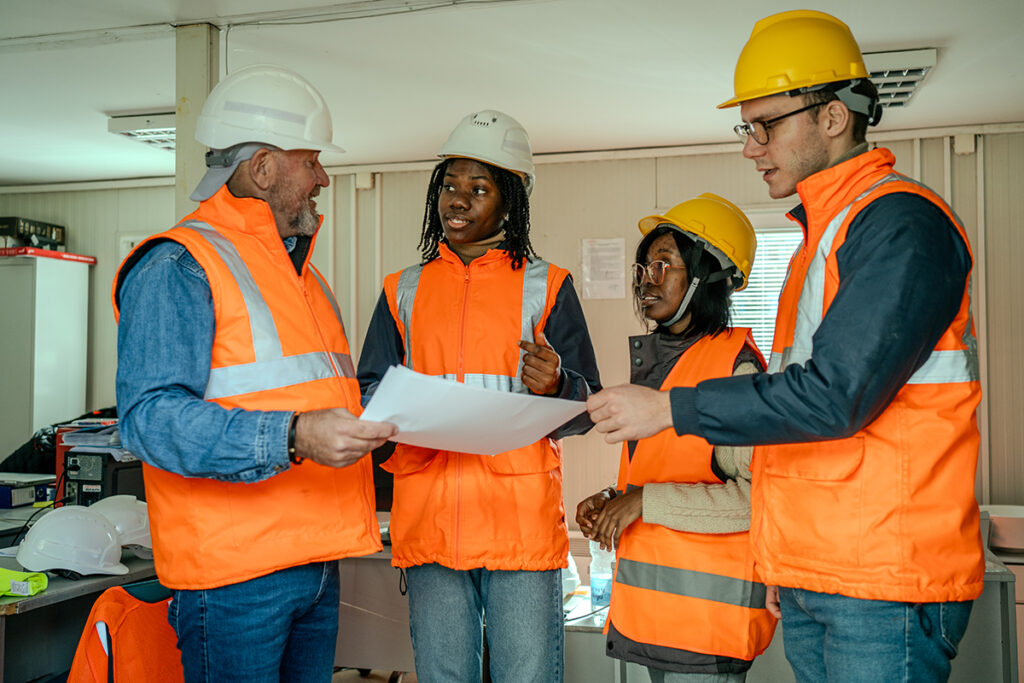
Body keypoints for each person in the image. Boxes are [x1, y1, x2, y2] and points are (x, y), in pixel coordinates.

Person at [587, 10, 983, 682]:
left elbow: (835, 396)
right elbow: (792, 439)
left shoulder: (900, 224)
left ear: (832, 117)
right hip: (819, 572)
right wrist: (783, 555)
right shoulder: (817, 242)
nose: (751, 146)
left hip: (882, 578)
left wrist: (669, 410)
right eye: (747, 128)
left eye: (764, 125)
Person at [113, 64, 397, 683]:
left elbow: (311, 395)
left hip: (314, 562)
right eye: (310, 160)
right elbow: (148, 420)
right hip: (235, 577)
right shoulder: (179, 265)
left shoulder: (303, 277)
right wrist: (293, 435)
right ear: (263, 168)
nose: (323, 177)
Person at [357, 110, 601, 683]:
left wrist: (558, 386)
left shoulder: (549, 285)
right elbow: (369, 393)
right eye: (448, 184)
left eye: (478, 187)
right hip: (429, 521)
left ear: (511, 200)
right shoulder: (403, 289)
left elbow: (587, 405)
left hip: (518, 524)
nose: (457, 200)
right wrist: (396, 449)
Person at [577, 194, 776, 683]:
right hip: (655, 626)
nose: (648, 279)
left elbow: (760, 500)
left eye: (665, 264)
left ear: (710, 276)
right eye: (645, 266)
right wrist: (614, 500)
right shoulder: (660, 364)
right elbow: (668, 469)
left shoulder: (734, 368)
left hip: (711, 629)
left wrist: (644, 502)